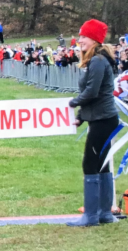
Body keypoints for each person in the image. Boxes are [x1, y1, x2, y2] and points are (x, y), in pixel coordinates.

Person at [67, 19, 119, 227]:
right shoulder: (99, 60)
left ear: (95, 39)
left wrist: (74, 103)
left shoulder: (97, 61)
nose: (80, 41)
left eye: (83, 37)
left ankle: (91, 216)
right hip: (102, 118)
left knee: (90, 162)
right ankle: (104, 213)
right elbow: (94, 95)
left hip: (103, 120)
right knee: (102, 162)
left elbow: (92, 92)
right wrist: (81, 115)